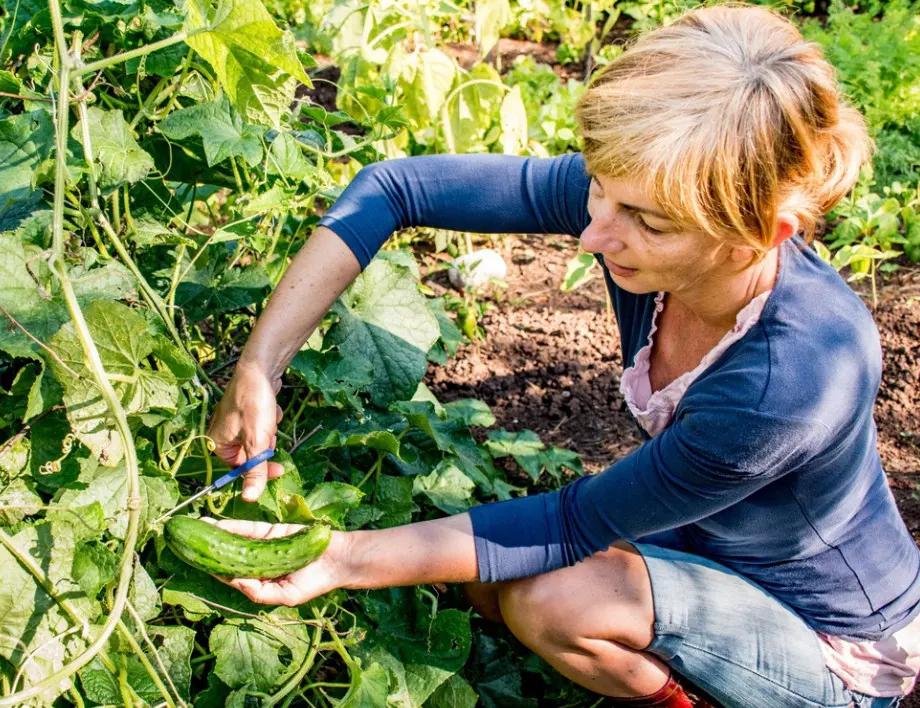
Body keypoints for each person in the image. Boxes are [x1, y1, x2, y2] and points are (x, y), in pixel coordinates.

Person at [204, 5, 920, 707]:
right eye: (601, 192)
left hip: (832, 639)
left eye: (647, 222)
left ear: (761, 233)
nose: (594, 235)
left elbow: (569, 525)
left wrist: (340, 558)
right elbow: (395, 188)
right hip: (707, 541)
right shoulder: (647, 211)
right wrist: (259, 367)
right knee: (484, 583)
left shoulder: (789, 382)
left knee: (552, 600)